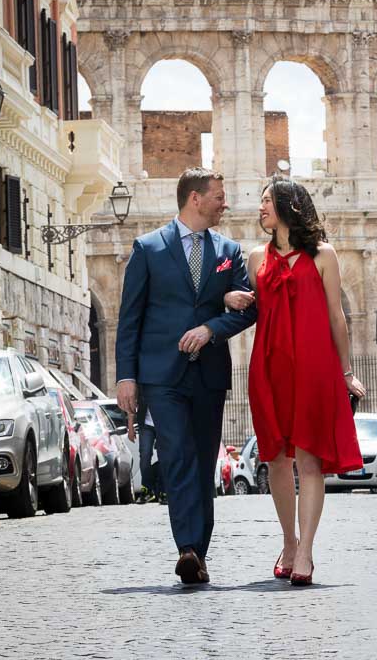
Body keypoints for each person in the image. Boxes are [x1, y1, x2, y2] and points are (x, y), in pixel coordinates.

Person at [115, 168, 257, 584]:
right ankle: (187, 548)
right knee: (177, 455)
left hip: (209, 373)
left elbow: (249, 309)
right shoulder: (148, 248)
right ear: (195, 198)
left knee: (201, 464)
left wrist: (212, 325)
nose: (225, 203)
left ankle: (200, 551)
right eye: (219, 196)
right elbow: (130, 319)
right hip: (162, 375)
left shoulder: (229, 250)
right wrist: (127, 377)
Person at [225, 177, 365, 586]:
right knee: (275, 459)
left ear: (288, 206)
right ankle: (289, 540)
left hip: (315, 368)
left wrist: (347, 372)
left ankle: (305, 552)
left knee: (309, 460)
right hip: (269, 369)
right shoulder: (254, 258)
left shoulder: (324, 255)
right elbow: (243, 306)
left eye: (267, 201)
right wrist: (226, 299)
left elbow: (337, 318)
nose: (260, 208)